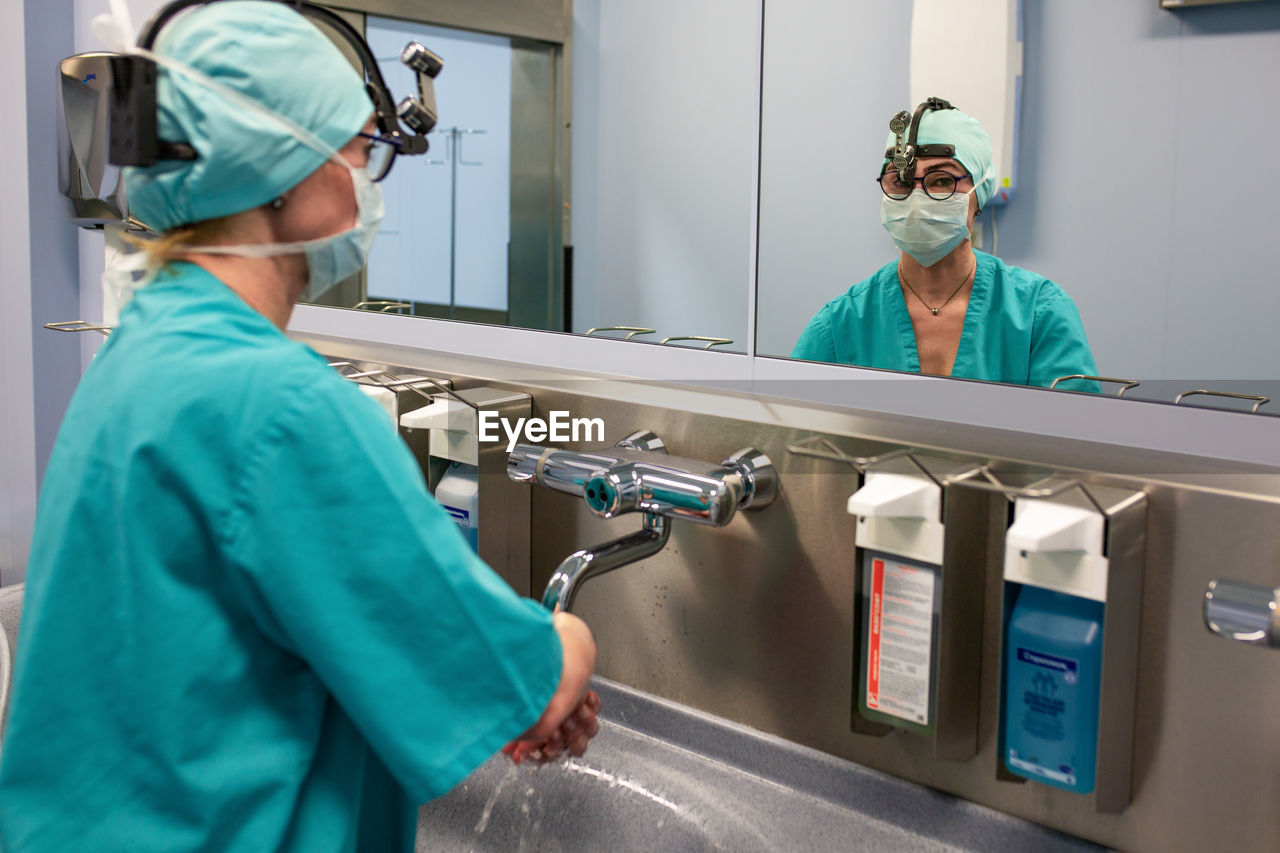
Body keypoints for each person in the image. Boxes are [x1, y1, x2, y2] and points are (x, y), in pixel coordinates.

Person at [0, 3, 598, 851]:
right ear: (281, 167)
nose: (369, 179)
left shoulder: (145, 349)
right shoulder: (280, 408)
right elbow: (525, 686)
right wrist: (569, 638)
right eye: (358, 148)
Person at [792, 100, 1099, 392]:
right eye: (900, 181)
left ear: (980, 190)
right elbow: (790, 429)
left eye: (941, 181)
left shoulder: (1037, 314)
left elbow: (1077, 436)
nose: (916, 199)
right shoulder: (840, 325)